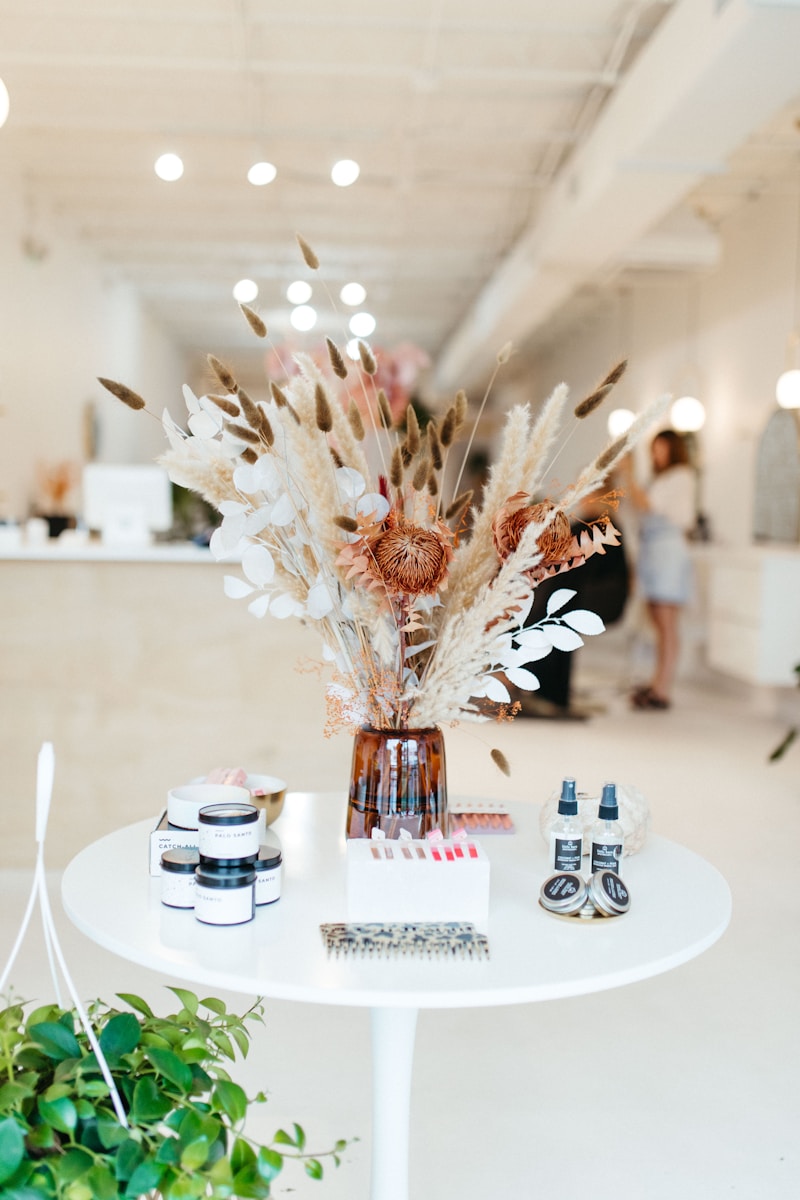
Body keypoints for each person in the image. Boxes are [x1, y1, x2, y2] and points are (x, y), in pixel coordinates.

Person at [621, 430, 695, 710]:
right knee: (656, 620)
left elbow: (647, 504)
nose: (656, 454)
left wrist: (627, 474)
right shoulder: (660, 479)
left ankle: (662, 688)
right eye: (654, 449)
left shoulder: (681, 477)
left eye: (660, 448)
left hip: (668, 553)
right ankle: (656, 682)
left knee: (666, 623)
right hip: (653, 551)